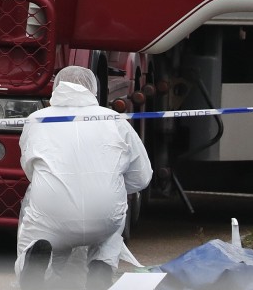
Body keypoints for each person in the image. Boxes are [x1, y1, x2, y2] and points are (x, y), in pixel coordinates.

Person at [16, 66, 152, 290]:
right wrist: (112, 185)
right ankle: (102, 265)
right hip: (104, 214)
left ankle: (38, 263)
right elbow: (142, 177)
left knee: (40, 227)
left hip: (51, 212)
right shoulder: (114, 119)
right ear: (93, 89)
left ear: (56, 86)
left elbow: (31, 170)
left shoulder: (36, 120)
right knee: (110, 231)